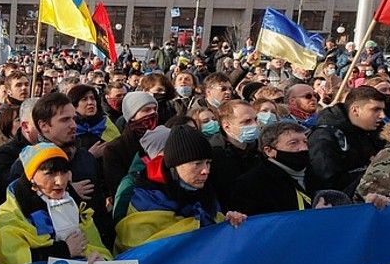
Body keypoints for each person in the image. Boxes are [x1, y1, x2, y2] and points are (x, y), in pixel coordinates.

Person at [115, 125, 247, 252]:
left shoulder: (205, 192)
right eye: (197, 164)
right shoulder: (145, 200)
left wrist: (227, 222)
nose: (205, 171)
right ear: (175, 165)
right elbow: (136, 250)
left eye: (208, 163)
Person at [0, 142, 110, 264]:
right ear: (32, 176)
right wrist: (63, 250)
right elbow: (10, 259)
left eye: (64, 172)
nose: (60, 181)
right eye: (50, 173)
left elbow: (97, 247)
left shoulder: (77, 207)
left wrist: (101, 261)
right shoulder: (10, 215)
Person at [307, 85, 388, 193]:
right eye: (376, 110)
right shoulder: (324, 137)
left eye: (383, 109)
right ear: (355, 110)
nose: (382, 115)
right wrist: (370, 174)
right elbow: (327, 184)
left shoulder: (376, 131)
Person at [225, 122, 313, 216]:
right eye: (293, 143)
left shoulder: (314, 174)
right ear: (269, 151)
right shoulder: (250, 185)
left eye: (305, 142)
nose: (303, 148)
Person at [102, 91, 159, 198]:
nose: (152, 113)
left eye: (154, 109)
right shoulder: (115, 149)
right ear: (132, 116)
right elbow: (118, 187)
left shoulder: (162, 138)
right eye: (146, 110)